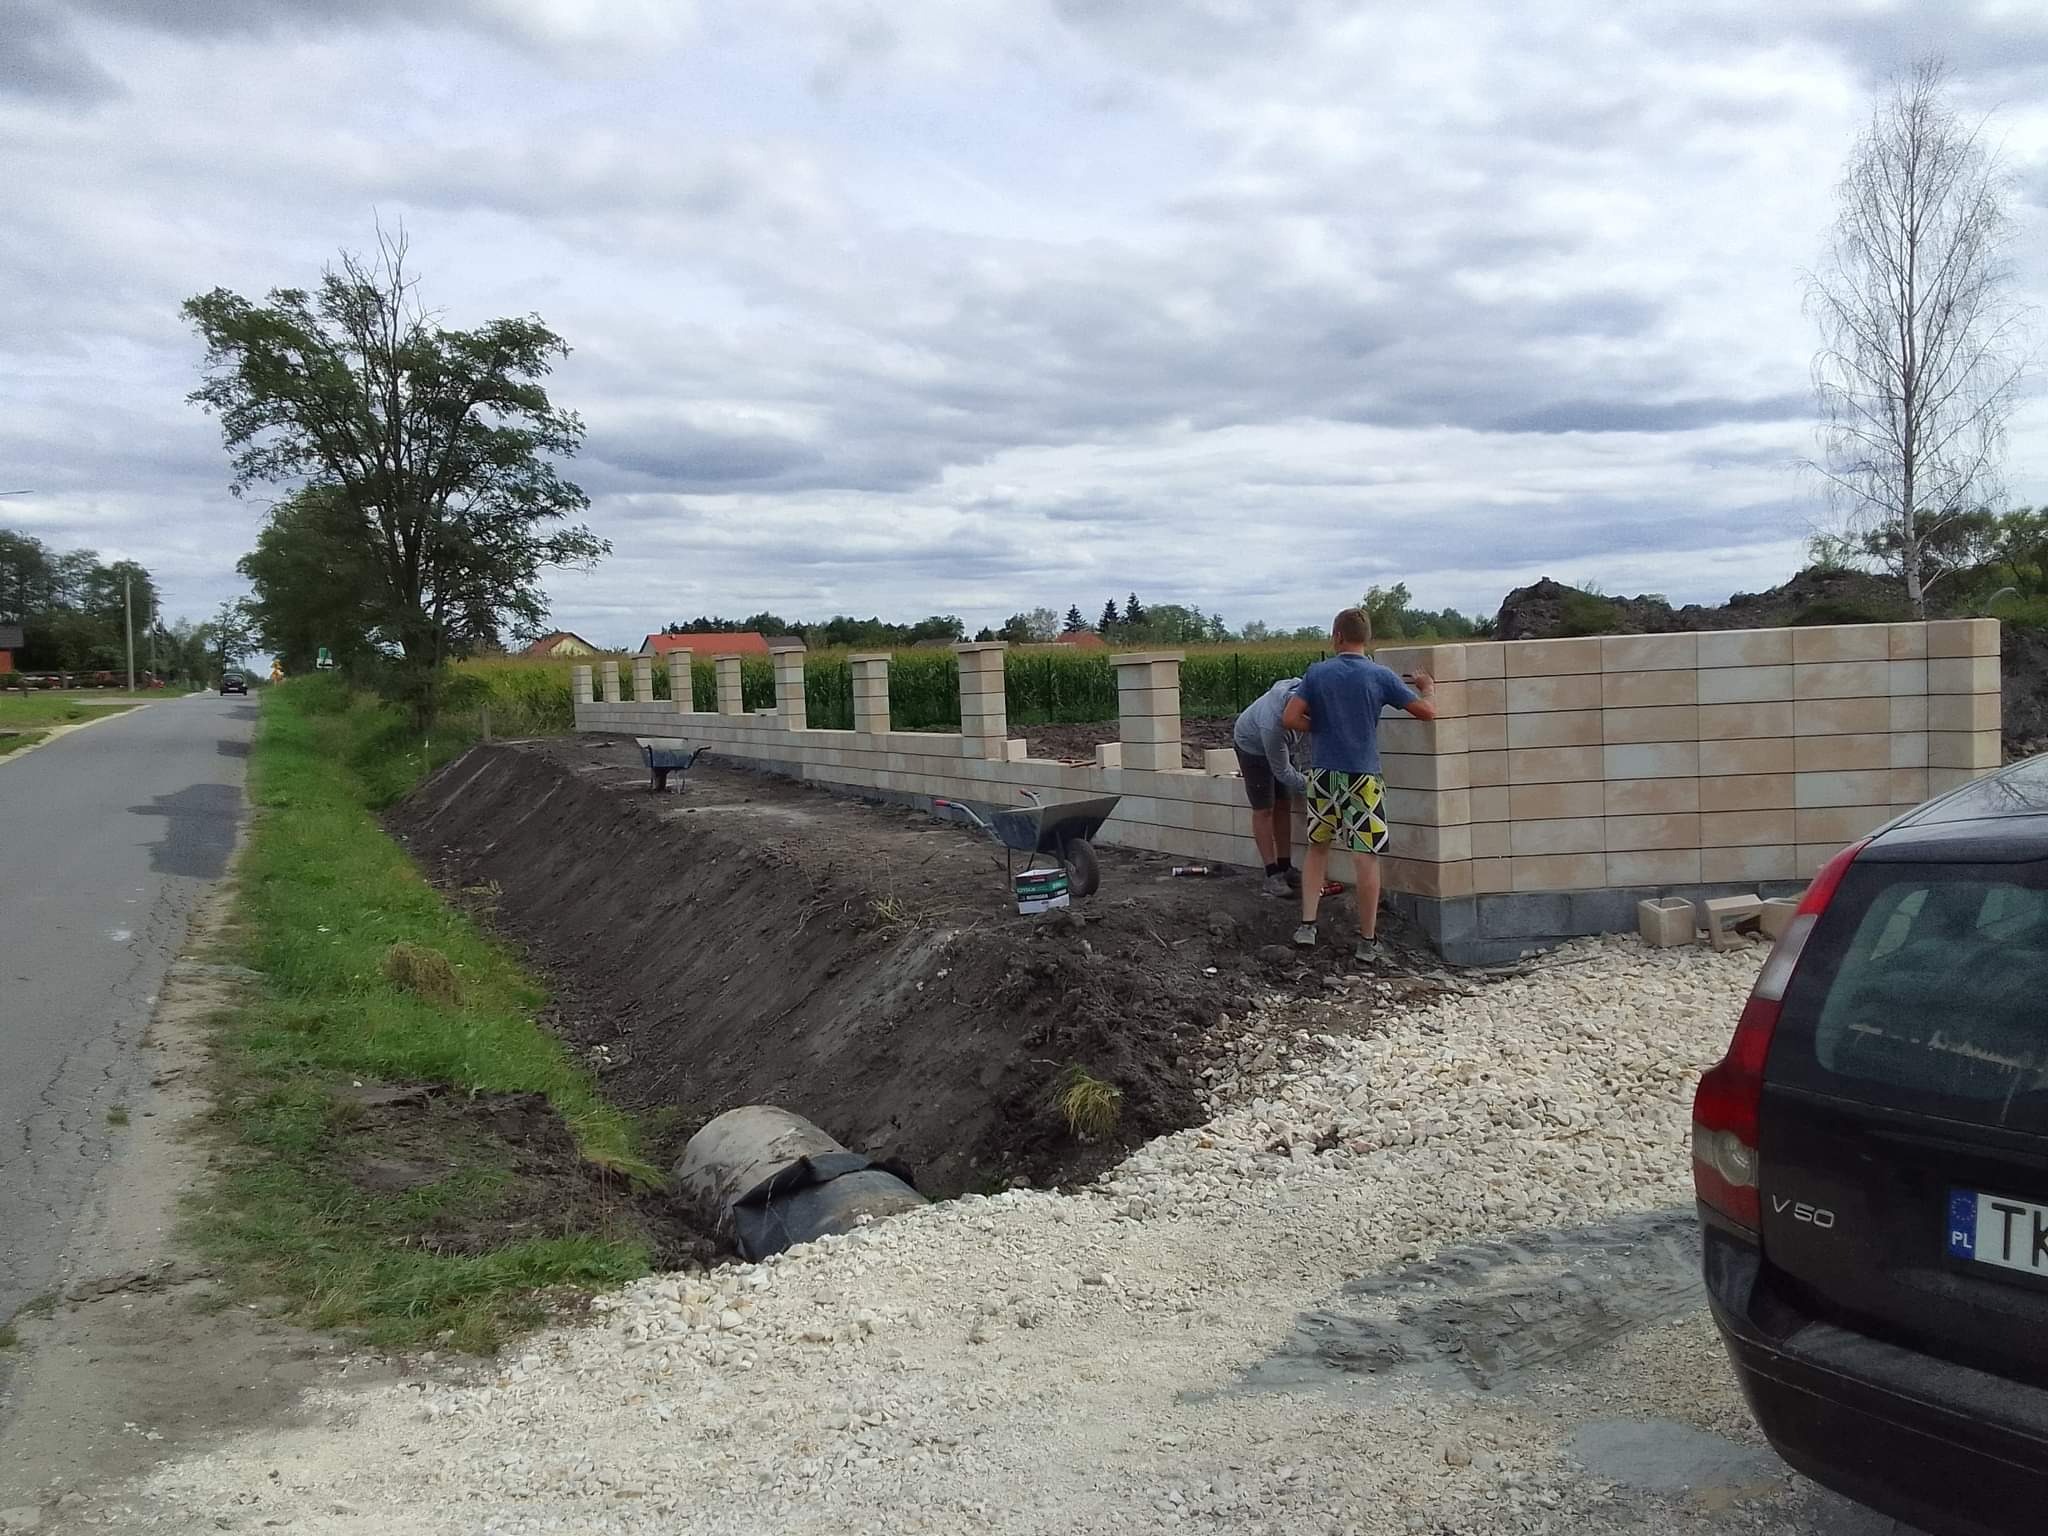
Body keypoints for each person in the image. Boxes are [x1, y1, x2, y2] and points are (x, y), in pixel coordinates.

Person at [1281, 607, 1436, 965]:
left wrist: (1320, 726)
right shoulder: (1379, 676)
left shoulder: (1318, 673)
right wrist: (1429, 688)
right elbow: (1427, 713)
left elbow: (1289, 717)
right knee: (1365, 858)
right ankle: (1367, 941)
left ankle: (1307, 926)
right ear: (1366, 639)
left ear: (1336, 636)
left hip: (1323, 775)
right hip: (1363, 778)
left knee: (1317, 847)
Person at [1231, 676, 1307, 896]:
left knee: (1284, 802)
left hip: (1282, 745)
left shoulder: (1310, 697)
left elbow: (1309, 751)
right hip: (1252, 747)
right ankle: (1271, 874)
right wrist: (1313, 787)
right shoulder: (1272, 723)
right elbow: (1282, 771)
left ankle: (1285, 866)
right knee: (1264, 809)